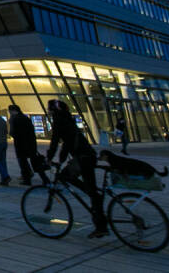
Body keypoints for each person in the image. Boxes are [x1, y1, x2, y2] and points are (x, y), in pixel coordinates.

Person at [46, 99, 107, 238]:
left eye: (49, 109)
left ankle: (101, 225)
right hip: (87, 155)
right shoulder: (68, 119)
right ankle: (94, 201)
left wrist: (49, 158)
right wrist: (61, 158)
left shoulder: (58, 121)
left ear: (54, 110)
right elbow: (67, 143)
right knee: (91, 190)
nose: (49, 112)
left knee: (66, 177)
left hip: (83, 158)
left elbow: (55, 141)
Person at [8, 104, 38, 185]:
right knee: (32, 160)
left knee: (22, 161)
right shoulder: (25, 118)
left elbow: (12, 133)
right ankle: (42, 177)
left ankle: (27, 178)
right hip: (30, 143)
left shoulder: (15, 119)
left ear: (12, 111)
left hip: (20, 144)